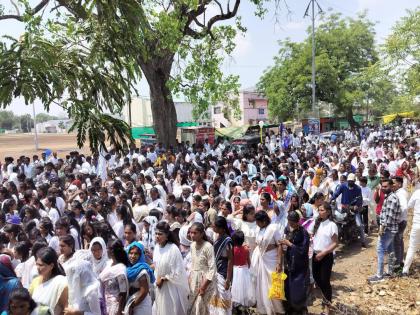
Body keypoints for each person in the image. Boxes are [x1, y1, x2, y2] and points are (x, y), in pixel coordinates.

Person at [251, 210, 285, 315]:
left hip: (272, 260)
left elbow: (279, 245)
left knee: (274, 284)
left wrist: (279, 263)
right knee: (262, 285)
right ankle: (266, 309)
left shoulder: (273, 228)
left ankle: (278, 310)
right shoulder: (259, 229)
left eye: (258, 221)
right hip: (262, 259)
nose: (256, 224)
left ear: (264, 221)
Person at [368, 179, 401, 283]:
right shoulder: (390, 196)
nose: (383, 188)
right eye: (382, 186)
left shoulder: (392, 198)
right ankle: (390, 271)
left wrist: (382, 228)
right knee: (390, 250)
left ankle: (379, 275)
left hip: (388, 229)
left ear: (391, 186)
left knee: (380, 250)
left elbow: (389, 218)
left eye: (386, 186)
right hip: (390, 229)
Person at [153, 221, 189, 315]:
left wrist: (164, 278)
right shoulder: (157, 247)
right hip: (159, 287)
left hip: (170, 288)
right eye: (156, 233)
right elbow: (157, 266)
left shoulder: (173, 249)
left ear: (167, 235)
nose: (157, 236)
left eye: (160, 234)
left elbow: (179, 271)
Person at [309, 203, 338, 315]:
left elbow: (335, 243)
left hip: (325, 256)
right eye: (319, 210)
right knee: (317, 279)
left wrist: (324, 252)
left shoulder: (332, 225)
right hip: (315, 255)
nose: (320, 212)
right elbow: (311, 234)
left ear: (328, 212)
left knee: (325, 281)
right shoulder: (317, 223)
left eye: (322, 210)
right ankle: (326, 300)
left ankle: (328, 309)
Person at [281, 211, 310, 315]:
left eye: (293, 222)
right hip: (289, 263)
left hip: (299, 266)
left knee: (298, 287)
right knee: (288, 287)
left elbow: (303, 250)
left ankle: (301, 309)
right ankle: (290, 308)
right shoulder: (287, 230)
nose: (291, 224)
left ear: (298, 222)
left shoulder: (303, 233)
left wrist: (290, 245)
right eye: (289, 222)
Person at [188, 222, 216, 315]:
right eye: (191, 232)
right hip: (194, 280)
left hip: (205, 280)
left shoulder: (208, 246)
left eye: (195, 233)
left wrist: (204, 286)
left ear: (202, 234)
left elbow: (212, 269)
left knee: (201, 307)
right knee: (191, 306)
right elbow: (193, 264)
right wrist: (190, 277)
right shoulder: (192, 245)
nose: (192, 235)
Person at [29, 247, 68, 315]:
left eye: (41, 265)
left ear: (51, 266)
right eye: (37, 264)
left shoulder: (61, 283)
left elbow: (66, 309)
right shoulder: (35, 281)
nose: (38, 268)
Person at [209, 216, 233, 315]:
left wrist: (228, 279)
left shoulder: (227, 240)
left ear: (221, 228)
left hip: (223, 272)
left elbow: (231, 260)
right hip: (216, 270)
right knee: (214, 296)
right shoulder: (217, 236)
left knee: (223, 296)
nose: (212, 228)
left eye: (214, 226)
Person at [99, 239, 128, 315]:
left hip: (114, 305)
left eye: (107, 248)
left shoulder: (120, 269)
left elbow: (123, 292)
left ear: (112, 251)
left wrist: (119, 311)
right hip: (106, 302)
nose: (106, 251)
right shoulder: (109, 263)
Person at [125, 242, 154, 315]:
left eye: (136, 254)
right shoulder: (128, 269)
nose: (133, 256)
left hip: (141, 304)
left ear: (141, 255)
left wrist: (132, 306)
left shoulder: (142, 270)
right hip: (132, 300)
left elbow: (144, 291)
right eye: (131, 253)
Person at [230, 230, 255, 311]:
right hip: (244, 270)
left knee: (235, 287)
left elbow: (231, 261)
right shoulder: (246, 249)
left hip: (235, 269)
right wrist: (249, 269)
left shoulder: (232, 250)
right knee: (244, 287)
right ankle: (243, 304)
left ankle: (236, 304)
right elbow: (248, 261)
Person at [402, 187, 420, 276]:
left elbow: (409, 206)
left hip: (417, 224)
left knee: (412, 248)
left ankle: (405, 271)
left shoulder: (417, 193)